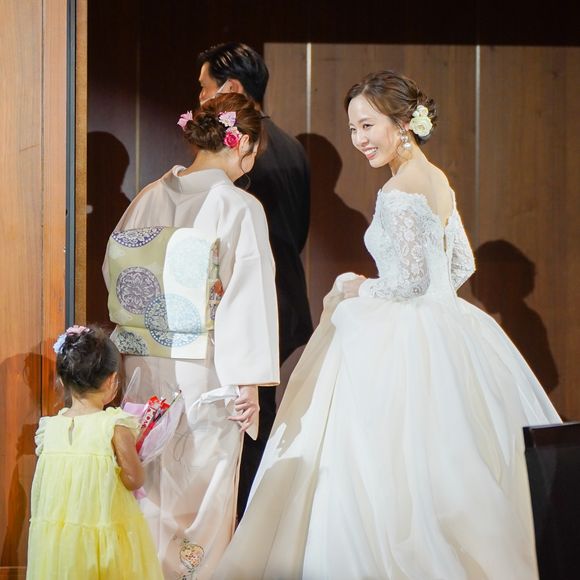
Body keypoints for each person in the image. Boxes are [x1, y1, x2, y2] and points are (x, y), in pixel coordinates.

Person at [213, 70, 562, 579]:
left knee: (380, 463)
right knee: (450, 462)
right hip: (452, 328)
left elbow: (412, 281)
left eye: (368, 126)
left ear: (402, 123)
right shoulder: (437, 179)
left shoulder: (397, 191)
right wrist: (427, 296)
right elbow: (461, 266)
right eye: (353, 129)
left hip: (404, 337)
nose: (360, 140)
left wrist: (359, 288)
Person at [102, 92, 279, 579]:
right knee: (202, 492)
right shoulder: (238, 205)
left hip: (143, 364)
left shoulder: (148, 196)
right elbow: (246, 295)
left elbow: (115, 274)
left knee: (147, 484)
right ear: (242, 143)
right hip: (207, 367)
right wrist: (249, 382)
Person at [197, 42, 313, 517]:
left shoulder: (238, 150)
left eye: (204, 87)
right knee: (263, 421)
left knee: (243, 426)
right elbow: (298, 232)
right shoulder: (293, 147)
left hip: (248, 307)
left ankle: (238, 529)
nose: (200, 99)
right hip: (288, 302)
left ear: (230, 87)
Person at [26, 325, 163, 579]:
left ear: (62, 381)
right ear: (112, 380)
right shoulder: (114, 425)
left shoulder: (49, 429)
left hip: (60, 547)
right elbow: (134, 479)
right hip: (105, 539)